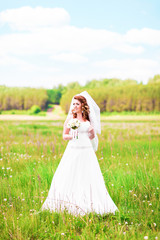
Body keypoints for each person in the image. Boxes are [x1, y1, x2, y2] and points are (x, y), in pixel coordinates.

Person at [41, 91, 119, 216]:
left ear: (83, 105)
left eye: (77, 104)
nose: (75, 106)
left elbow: (92, 137)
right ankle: (66, 202)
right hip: (73, 150)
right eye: (74, 103)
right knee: (69, 174)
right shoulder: (70, 119)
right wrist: (71, 136)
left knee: (88, 175)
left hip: (87, 151)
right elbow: (64, 136)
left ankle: (92, 203)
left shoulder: (88, 120)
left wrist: (92, 133)